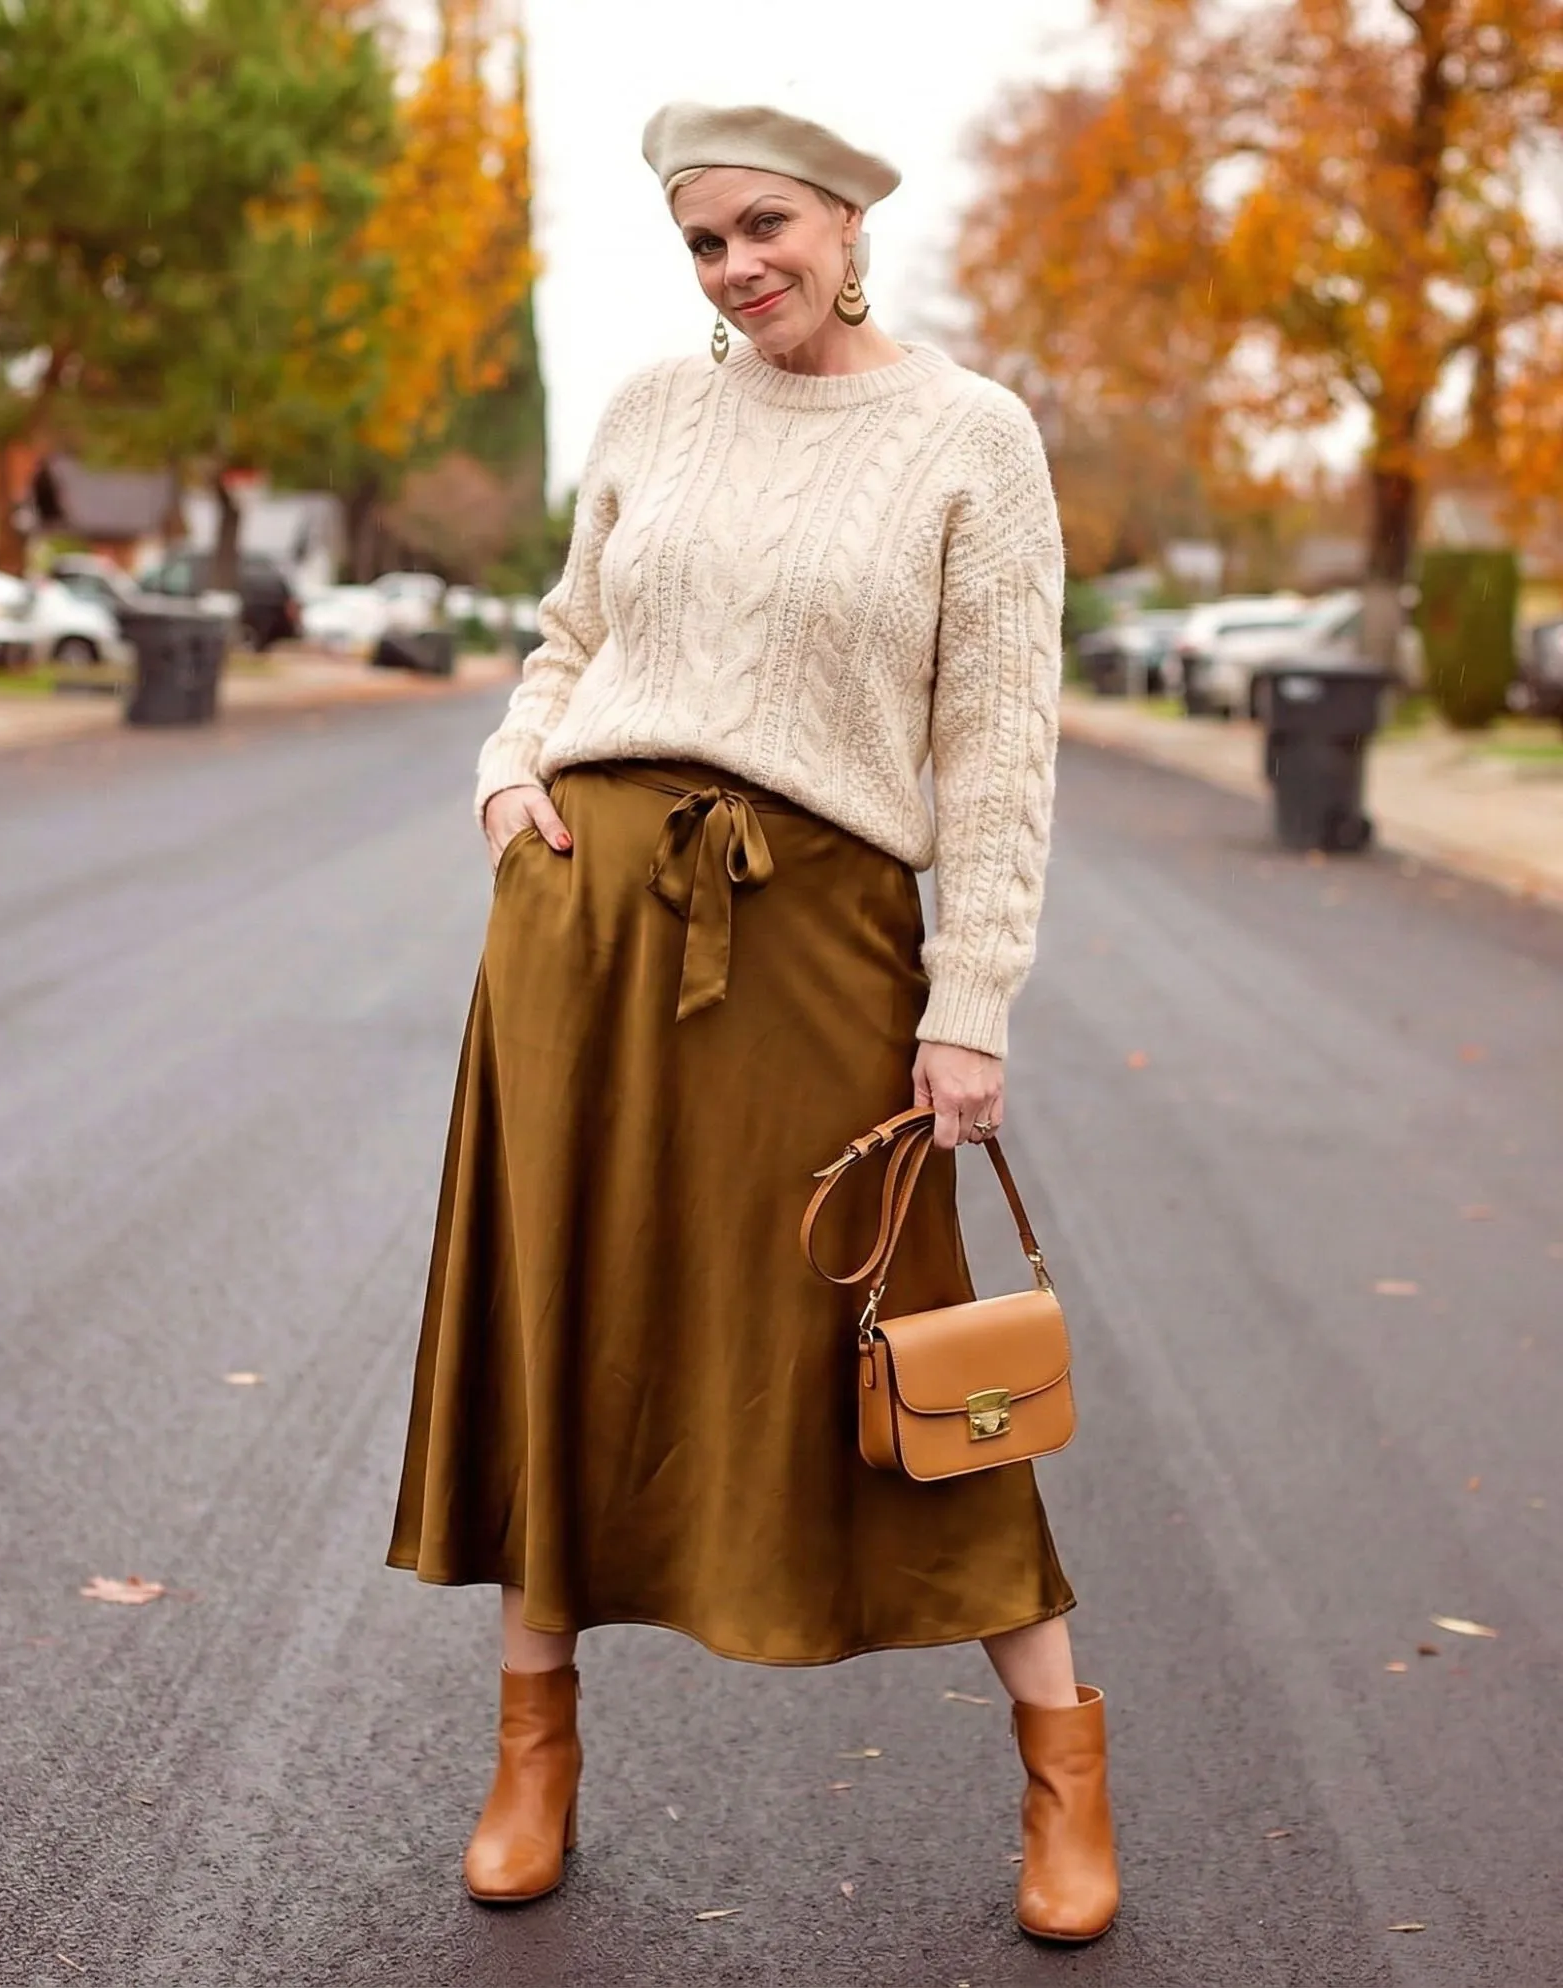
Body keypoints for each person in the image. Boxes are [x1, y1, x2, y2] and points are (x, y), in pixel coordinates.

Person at [387, 98, 1119, 1944]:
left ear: (852, 220)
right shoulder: (648, 412)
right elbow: (570, 638)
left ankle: (1064, 1767)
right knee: (571, 1313)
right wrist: (503, 775)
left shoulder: (971, 438)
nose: (737, 268)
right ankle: (531, 1755)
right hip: (578, 934)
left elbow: (999, 748)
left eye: (765, 225)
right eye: (704, 241)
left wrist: (973, 999)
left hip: (817, 945)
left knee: (904, 1344)